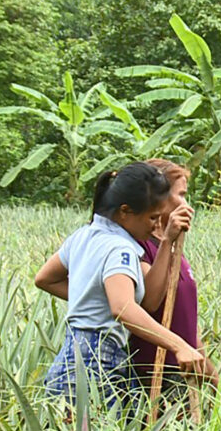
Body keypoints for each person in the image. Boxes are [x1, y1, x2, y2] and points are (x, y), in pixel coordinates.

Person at [34, 162, 207, 409]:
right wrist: (179, 345)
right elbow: (123, 308)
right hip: (98, 359)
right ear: (125, 211)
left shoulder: (84, 235)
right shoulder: (120, 248)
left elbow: (45, 279)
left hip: (71, 355)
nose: (154, 225)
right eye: (152, 217)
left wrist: (94, 300)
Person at [130, 158, 218, 398]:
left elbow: (184, 323)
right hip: (157, 372)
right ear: (158, 197)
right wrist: (167, 240)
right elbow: (150, 302)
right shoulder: (140, 246)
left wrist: (212, 376)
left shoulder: (172, 247)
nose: (186, 204)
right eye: (181, 194)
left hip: (184, 369)